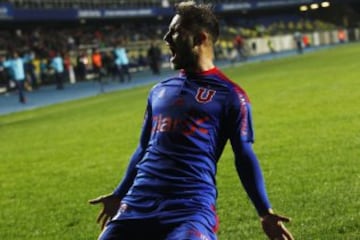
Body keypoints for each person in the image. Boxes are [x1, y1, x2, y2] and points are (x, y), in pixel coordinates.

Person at [90, 1, 294, 240]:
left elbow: (244, 156)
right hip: (136, 206)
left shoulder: (230, 95)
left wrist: (264, 212)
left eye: (174, 32)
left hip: (189, 208)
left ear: (199, 38)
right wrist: (119, 194)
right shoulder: (158, 91)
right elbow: (144, 148)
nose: (166, 38)